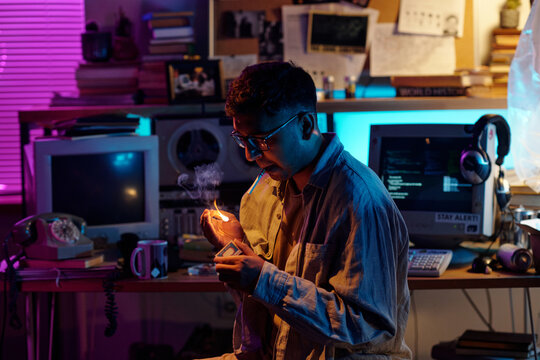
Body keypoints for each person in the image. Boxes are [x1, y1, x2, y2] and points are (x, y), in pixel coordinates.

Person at [200, 61, 411, 359]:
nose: (251, 155)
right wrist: (235, 246)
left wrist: (263, 281)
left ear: (305, 125)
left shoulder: (361, 201)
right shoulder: (262, 190)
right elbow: (263, 302)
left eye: (261, 139)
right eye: (242, 140)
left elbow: (366, 329)